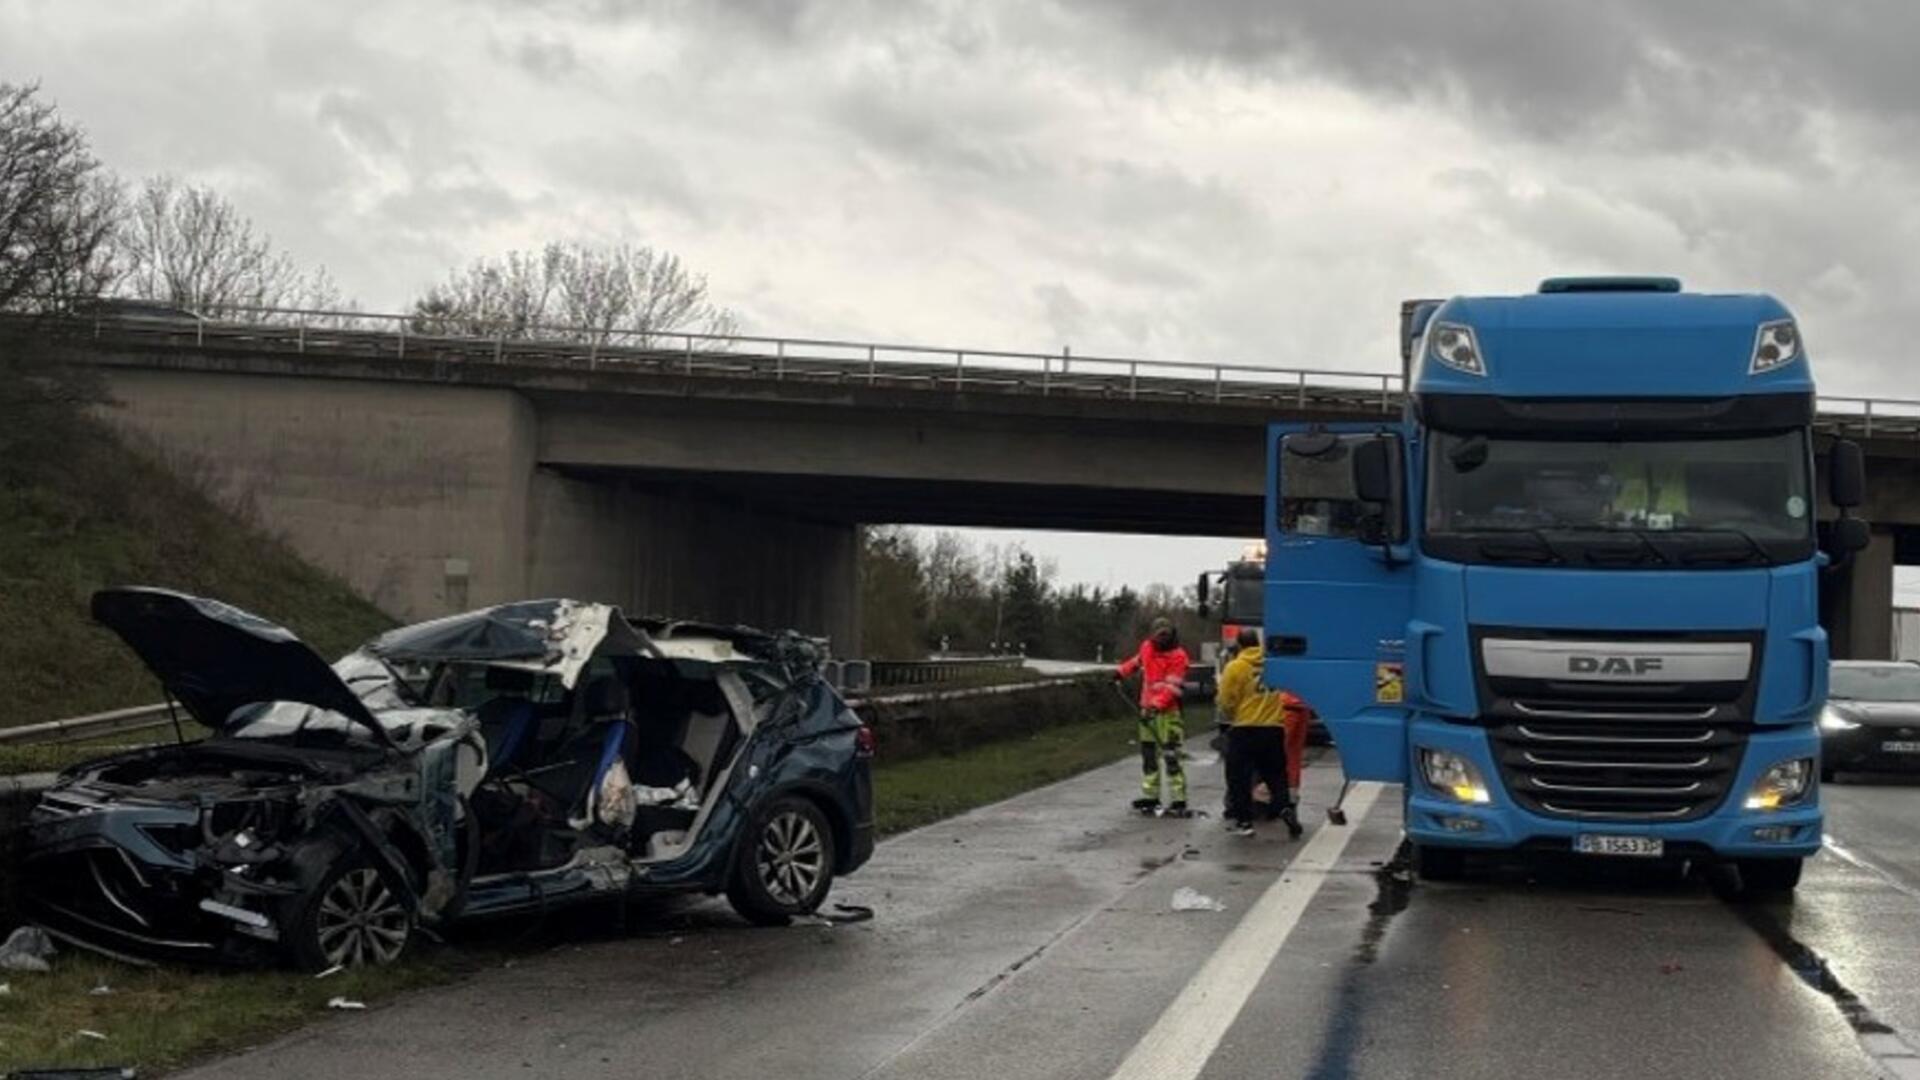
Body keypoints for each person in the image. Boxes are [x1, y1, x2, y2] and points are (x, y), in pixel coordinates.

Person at [1216, 627, 1305, 838]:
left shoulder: (1235, 667)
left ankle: (1244, 822)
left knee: (1239, 777)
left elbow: (1226, 700)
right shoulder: (1272, 665)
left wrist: (1231, 714)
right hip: (1273, 729)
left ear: (1239, 644)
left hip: (1245, 728)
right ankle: (1284, 808)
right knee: (1275, 776)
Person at [1115, 618, 1191, 816]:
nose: (1161, 639)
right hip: (1146, 711)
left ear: (1171, 634)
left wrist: (1156, 706)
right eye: (1159, 635)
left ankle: (1178, 799)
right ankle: (1151, 795)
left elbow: (1172, 687)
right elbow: (1136, 661)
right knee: (1149, 755)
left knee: (1171, 756)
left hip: (1168, 713)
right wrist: (1119, 673)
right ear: (1153, 634)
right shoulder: (1147, 648)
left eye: (1165, 634)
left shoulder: (1179, 656)